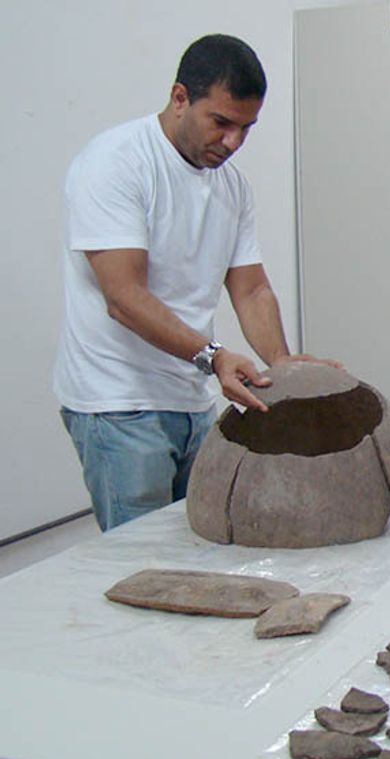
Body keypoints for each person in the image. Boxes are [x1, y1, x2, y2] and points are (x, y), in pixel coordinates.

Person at [53, 34, 334, 532]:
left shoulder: (231, 186)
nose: (232, 143)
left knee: (199, 544)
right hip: (119, 403)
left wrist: (282, 363)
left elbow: (250, 289)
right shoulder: (116, 163)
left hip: (191, 399)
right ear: (180, 97)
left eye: (246, 128)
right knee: (141, 563)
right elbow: (123, 297)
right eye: (221, 123)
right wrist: (214, 356)